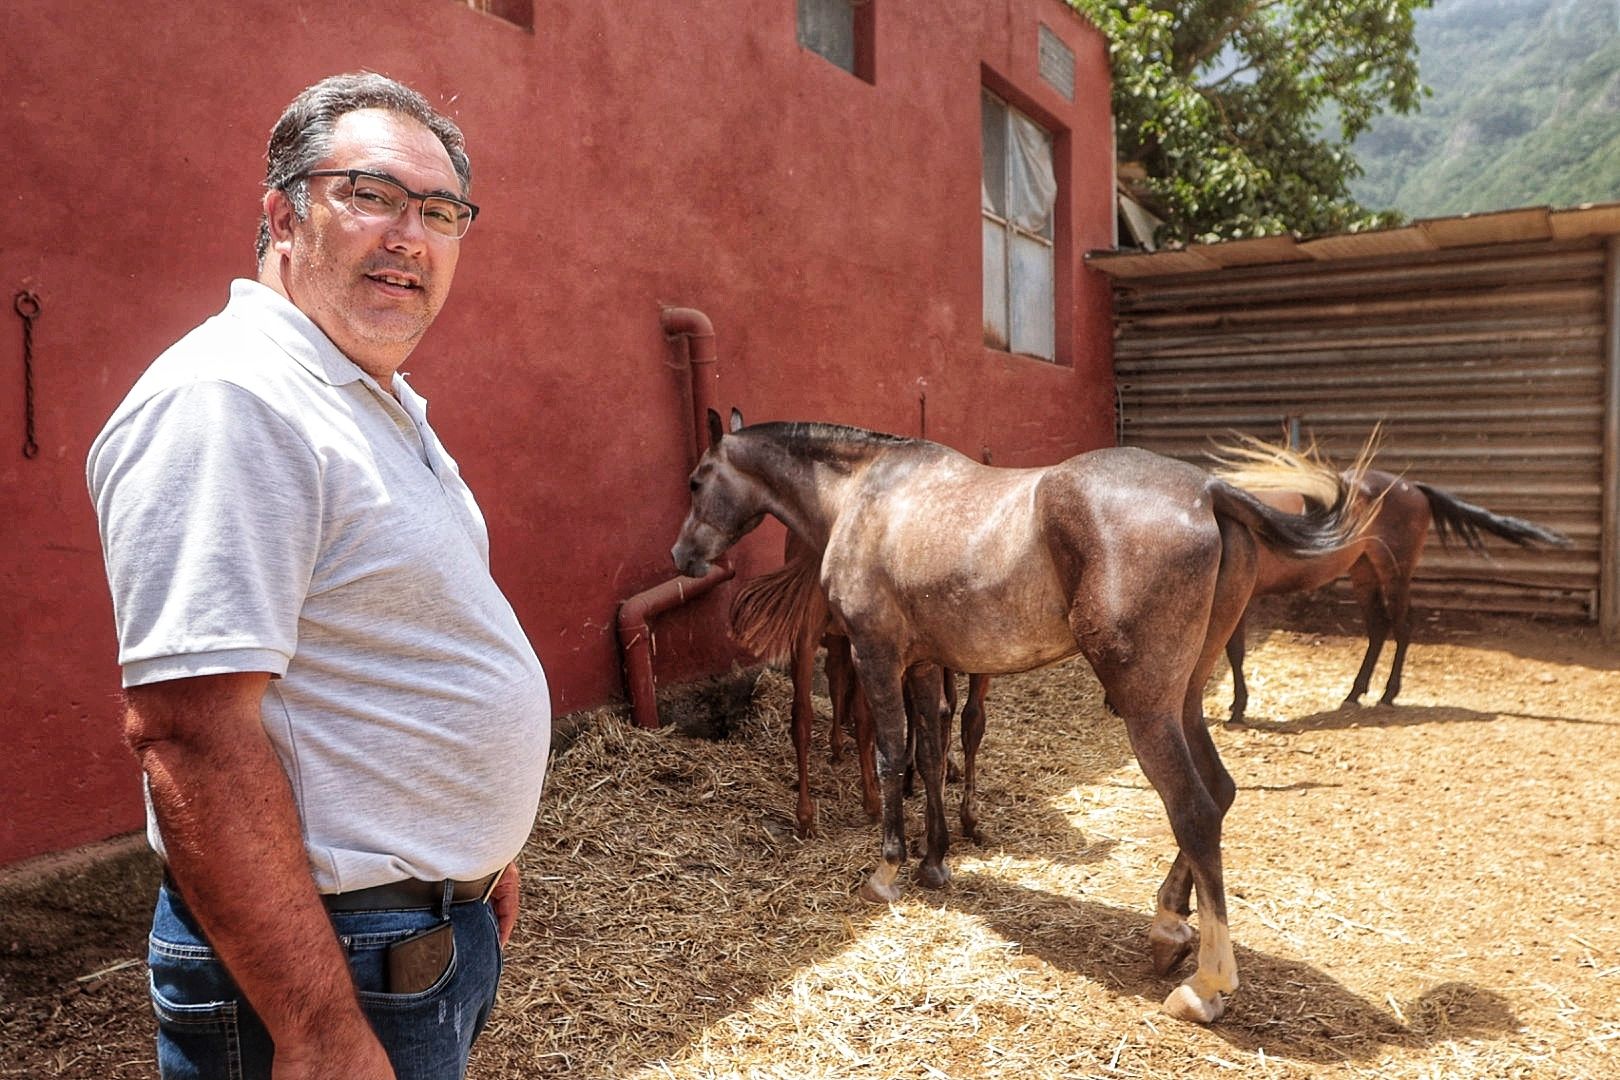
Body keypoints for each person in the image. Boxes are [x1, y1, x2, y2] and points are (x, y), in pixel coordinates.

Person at [86, 73, 551, 1080]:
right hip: (325, 968)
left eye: (440, 212)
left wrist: (471, 856)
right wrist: (315, 1026)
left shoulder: (360, 398)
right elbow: (191, 732)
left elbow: (386, 647)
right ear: (281, 215)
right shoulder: (233, 399)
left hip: (411, 938)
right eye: (373, 195)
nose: (409, 236)